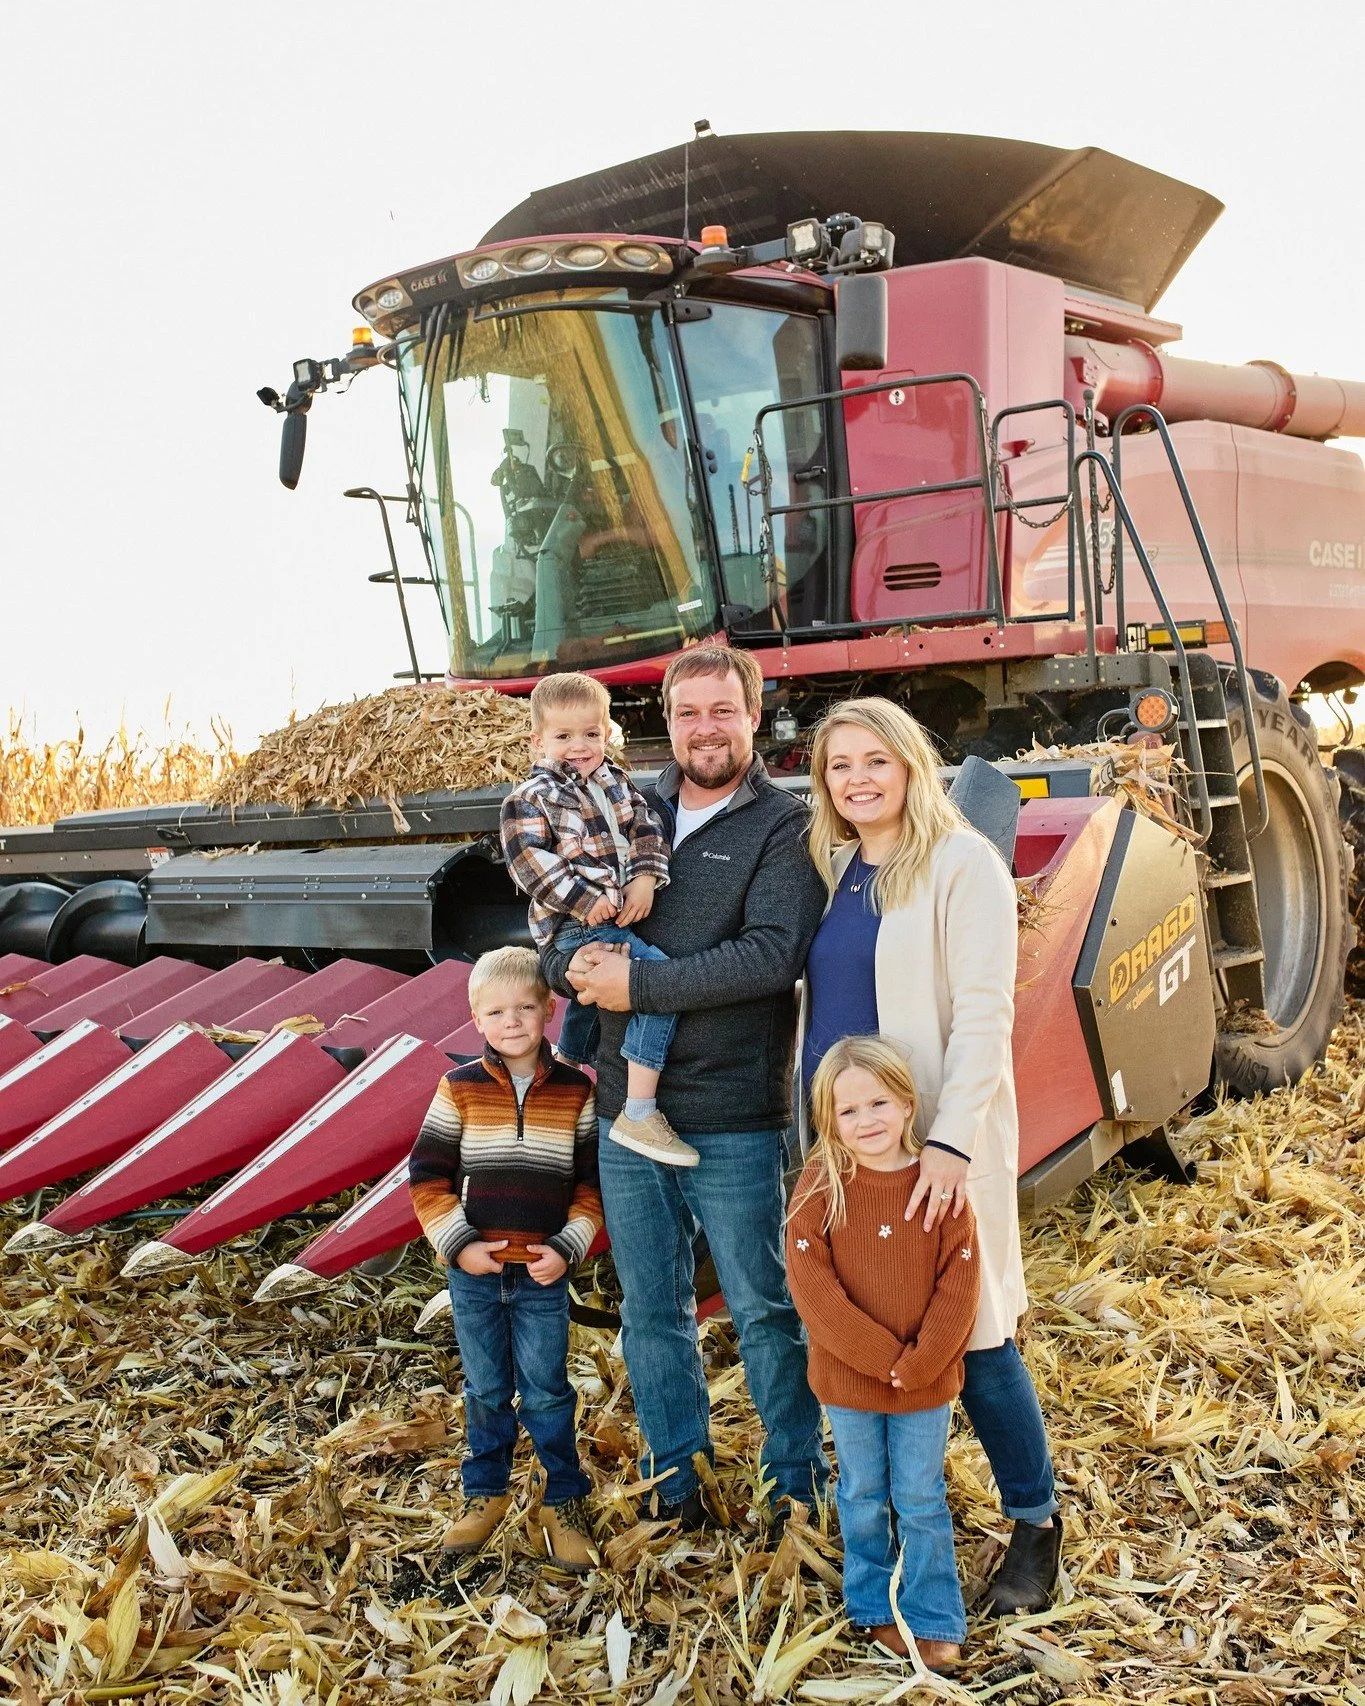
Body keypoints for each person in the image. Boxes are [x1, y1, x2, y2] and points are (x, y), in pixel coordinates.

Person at [544, 645, 828, 1533]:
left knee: (761, 1304)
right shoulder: (621, 805)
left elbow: (769, 955)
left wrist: (639, 989)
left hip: (734, 1111)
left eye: (722, 710)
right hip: (628, 1115)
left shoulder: (783, 826)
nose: (704, 728)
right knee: (652, 1311)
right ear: (663, 721)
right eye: (687, 712)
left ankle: (794, 1481)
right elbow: (554, 928)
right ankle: (678, 1481)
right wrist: (571, 964)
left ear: (754, 715)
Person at [802, 696, 1063, 1615]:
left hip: (933, 1148)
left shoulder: (962, 863)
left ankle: (1035, 1526)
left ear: (912, 764)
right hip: (848, 1151)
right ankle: (891, 1531)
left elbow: (988, 1012)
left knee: (975, 1334)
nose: (858, 779)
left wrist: (949, 1140)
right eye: (839, 766)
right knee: (870, 1325)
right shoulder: (839, 867)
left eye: (875, 760)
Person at [407, 946, 602, 1575]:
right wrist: (459, 1243)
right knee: (487, 1386)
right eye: (497, 1011)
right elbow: (428, 1176)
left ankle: (562, 1498)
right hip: (476, 1271)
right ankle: (484, 1492)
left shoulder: (575, 1092)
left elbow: (591, 1186)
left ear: (549, 1010)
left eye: (525, 1007)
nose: (512, 1020)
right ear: (476, 1019)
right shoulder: (459, 1089)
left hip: (543, 1270)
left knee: (547, 1389)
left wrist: (568, 1248)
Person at [787, 1036, 979, 1672]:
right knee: (863, 1490)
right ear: (828, 1119)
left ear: (905, 1103)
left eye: (878, 1104)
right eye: (847, 1111)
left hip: (924, 1379)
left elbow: (960, 1281)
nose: (865, 1121)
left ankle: (932, 1613)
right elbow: (812, 1286)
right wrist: (882, 1357)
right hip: (849, 1378)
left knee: (920, 1495)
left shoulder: (938, 1182)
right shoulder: (823, 1184)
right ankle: (872, 1602)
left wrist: (919, 1363)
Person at [500, 671, 697, 1167]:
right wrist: (586, 901)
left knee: (591, 1004)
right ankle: (639, 1108)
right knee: (656, 984)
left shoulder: (615, 782)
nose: (580, 746)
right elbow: (531, 866)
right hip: (574, 922)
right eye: (563, 736)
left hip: (613, 915)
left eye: (592, 733)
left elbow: (648, 829)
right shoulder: (531, 797)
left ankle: (562, 1073)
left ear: (607, 731)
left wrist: (647, 878)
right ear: (538, 740)